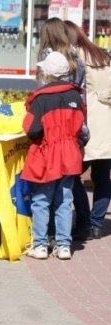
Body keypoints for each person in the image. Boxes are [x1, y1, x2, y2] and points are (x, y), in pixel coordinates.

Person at [21, 51, 88, 260]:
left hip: (47, 155)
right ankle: (64, 245)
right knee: (64, 201)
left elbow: (32, 130)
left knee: (42, 200)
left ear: (47, 73)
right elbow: (81, 128)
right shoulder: (76, 96)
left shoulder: (40, 98)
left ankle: (41, 245)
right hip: (70, 154)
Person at [36, 17, 89, 242]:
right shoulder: (76, 57)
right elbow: (82, 93)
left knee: (47, 186)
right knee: (71, 181)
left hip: (53, 128)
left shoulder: (48, 57)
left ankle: (45, 235)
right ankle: (77, 229)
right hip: (76, 124)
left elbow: (42, 92)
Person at [65, 20, 111, 241]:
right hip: (107, 127)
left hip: (88, 126)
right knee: (102, 178)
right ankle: (96, 224)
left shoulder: (77, 58)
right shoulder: (102, 56)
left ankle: (84, 220)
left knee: (72, 174)